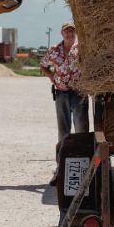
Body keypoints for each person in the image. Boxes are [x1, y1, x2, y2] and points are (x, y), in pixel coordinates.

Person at [40, 22, 89, 185]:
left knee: (81, 131)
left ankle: (84, 170)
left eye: (72, 31)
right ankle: (60, 170)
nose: (70, 34)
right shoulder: (54, 50)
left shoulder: (82, 48)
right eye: (67, 31)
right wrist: (51, 77)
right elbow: (43, 65)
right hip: (61, 93)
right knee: (64, 132)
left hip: (78, 93)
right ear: (62, 33)